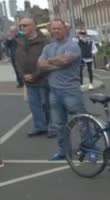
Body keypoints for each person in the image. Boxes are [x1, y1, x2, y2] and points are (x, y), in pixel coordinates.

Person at [38, 19, 87, 161]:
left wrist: (51, 62)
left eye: (59, 28)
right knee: (59, 124)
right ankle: (63, 151)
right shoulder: (48, 47)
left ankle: (89, 148)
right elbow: (40, 65)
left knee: (82, 121)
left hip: (71, 90)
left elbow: (65, 60)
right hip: (54, 91)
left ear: (65, 30)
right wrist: (56, 63)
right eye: (53, 29)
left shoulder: (73, 46)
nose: (56, 31)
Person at [15, 17, 51, 138]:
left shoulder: (44, 42)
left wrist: (35, 75)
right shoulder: (20, 42)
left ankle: (51, 127)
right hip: (28, 80)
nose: (22, 28)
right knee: (34, 105)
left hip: (43, 78)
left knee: (47, 104)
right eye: (21, 26)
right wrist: (23, 76)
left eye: (25, 25)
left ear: (34, 26)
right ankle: (40, 127)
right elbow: (17, 61)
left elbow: (47, 61)